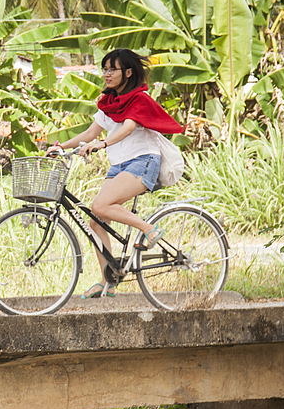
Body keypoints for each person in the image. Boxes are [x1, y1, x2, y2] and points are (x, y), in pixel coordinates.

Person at [52, 47, 186, 298]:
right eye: (104, 69)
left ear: (128, 72)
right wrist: (61, 147)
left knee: (100, 205)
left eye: (112, 69)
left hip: (143, 161)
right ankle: (108, 280)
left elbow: (128, 128)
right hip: (119, 165)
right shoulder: (109, 102)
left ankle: (148, 229)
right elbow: (89, 133)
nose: (106, 74)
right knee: (96, 220)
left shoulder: (139, 99)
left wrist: (102, 144)